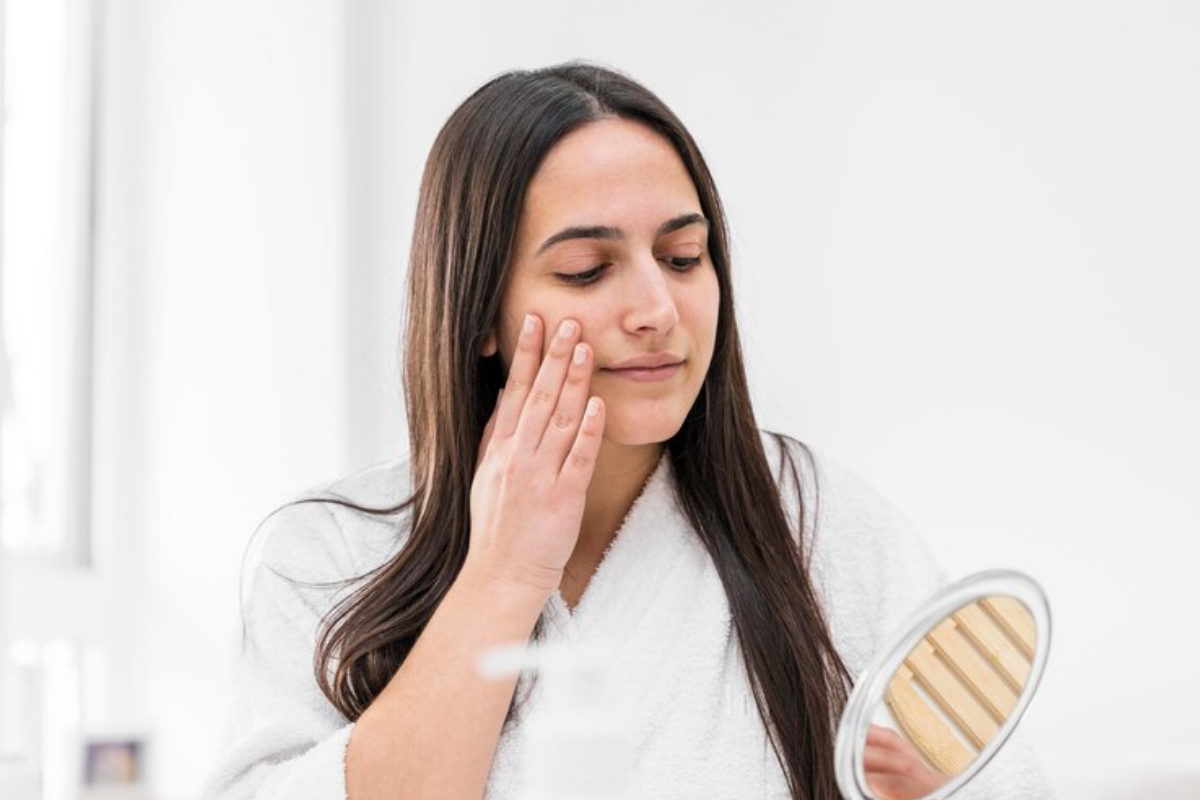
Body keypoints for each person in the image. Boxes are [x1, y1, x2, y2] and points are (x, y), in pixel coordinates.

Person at [199, 62, 1053, 800]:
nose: (656, 309)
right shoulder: (330, 555)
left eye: (683, 258)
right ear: (480, 311)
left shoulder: (815, 523)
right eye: (586, 269)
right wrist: (503, 575)